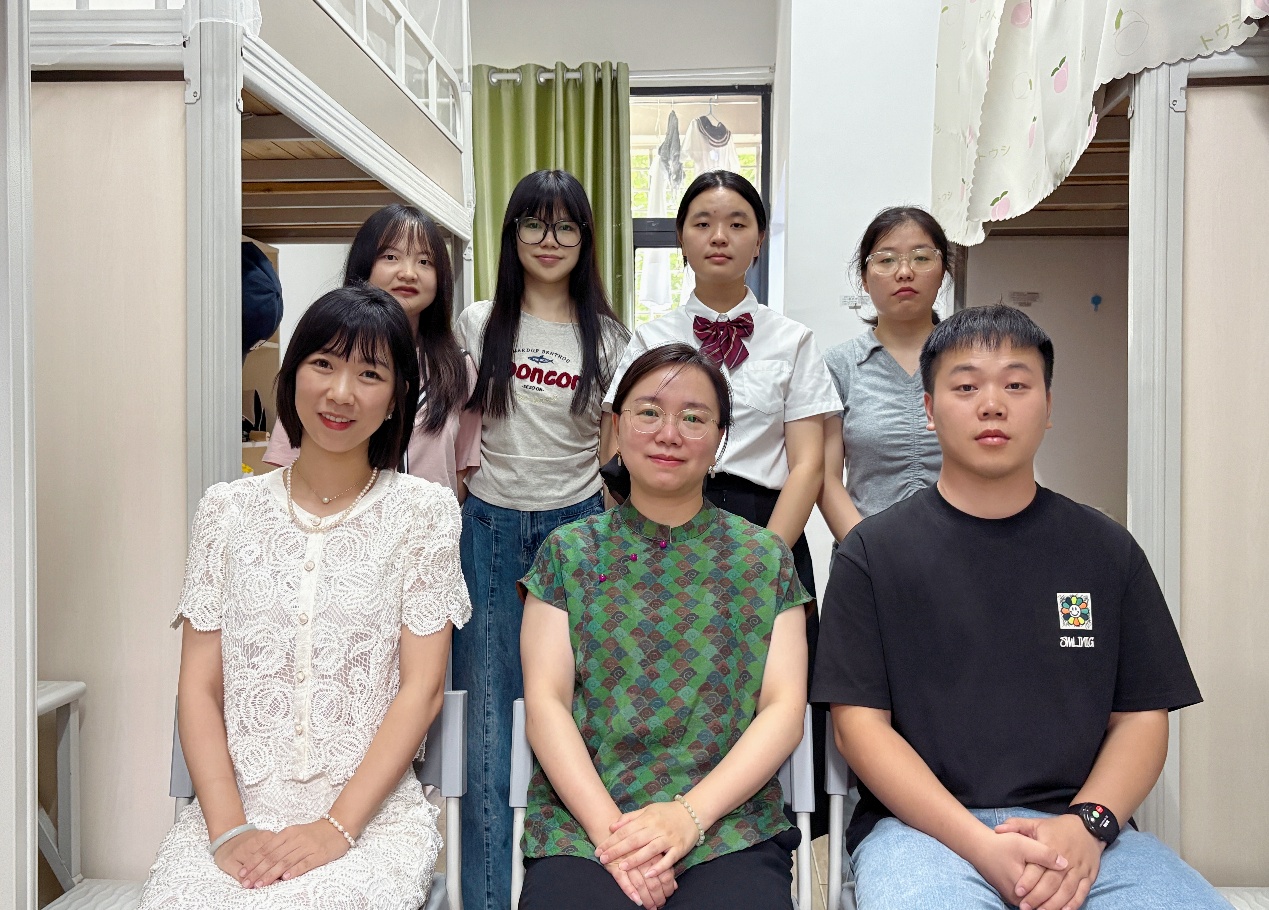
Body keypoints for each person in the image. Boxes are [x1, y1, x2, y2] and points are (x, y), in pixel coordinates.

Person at [812, 305, 1229, 910]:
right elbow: (859, 729)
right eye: (965, 387)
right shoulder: (872, 555)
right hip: (925, 834)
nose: (992, 405)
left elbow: (1141, 718)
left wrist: (1088, 824)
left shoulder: (1106, 550)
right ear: (928, 410)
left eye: (1016, 385)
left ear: (1049, 405)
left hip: (1083, 833)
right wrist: (981, 846)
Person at [139, 286, 471, 909]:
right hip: (233, 815)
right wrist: (228, 831)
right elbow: (198, 688)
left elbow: (422, 689)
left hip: (368, 822)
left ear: (396, 397)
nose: (341, 392)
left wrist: (335, 828)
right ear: (291, 375)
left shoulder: (423, 514)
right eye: (324, 363)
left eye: (369, 374)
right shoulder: (226, 512)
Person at [519, 343, 809, 910]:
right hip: (587, 825)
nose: (669, 434)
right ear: (617, 427)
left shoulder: (764, 558)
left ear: (720, 439)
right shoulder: (568, 553)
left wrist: (687, 817)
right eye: (649, 412)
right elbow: (546, 704)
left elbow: (783, 709)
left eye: (694, 418)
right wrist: (616, 839)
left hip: (727, 825)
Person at [603, 169, 840, 836]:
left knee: (772, 689)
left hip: (767, 527)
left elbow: (808, 464)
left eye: (737, 223)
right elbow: (617, 452)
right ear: (680, 238)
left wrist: (761, 559)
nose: (719, 236)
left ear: (759, 240)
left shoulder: (791, 340)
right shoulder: (649, 337)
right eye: (702, 223)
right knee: (673, 682)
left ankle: (772, 840)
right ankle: (661, 815)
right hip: (667, 523)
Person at [453, 169, 630, 910]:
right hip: (490, 529)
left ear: (585, 240)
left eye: (565, 226)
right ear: (513, 234)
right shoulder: (478, 322)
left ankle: (579, 890)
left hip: (579, 531)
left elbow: (613, 447)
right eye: (534, 223)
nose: (548, 240)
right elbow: (451, 425)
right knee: (488, 733)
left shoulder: (611, 337)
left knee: (582, 727)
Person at [265, 204, 481, 497]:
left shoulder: (459, 367)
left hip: (424, 520)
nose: (408, 273)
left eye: (425, 261)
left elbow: (461, 471)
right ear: (363, 264)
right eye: (391, 257)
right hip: (335, 518)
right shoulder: (323, 351)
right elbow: (284, 463)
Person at [818, 206, 949, 540]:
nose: (904, 272)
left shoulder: (968, 361)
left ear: (943, 271)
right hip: (865, 553)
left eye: (921, 258)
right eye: (886, 260)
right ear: (864, 279)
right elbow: (826, 478)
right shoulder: (839, 365)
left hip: (961, 553)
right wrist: (868, 552)